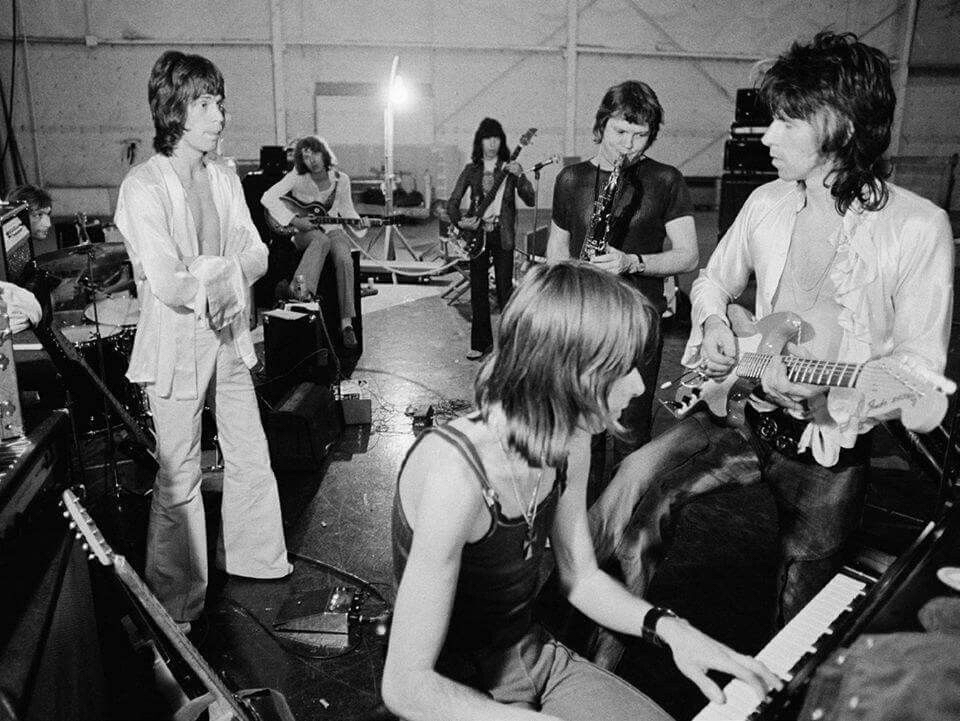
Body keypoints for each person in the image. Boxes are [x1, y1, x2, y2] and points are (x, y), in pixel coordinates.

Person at [588, 30, 954, 667]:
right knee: (636, 490)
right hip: (741, 409)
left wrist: (827, 394)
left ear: (840, 125)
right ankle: (597, 669)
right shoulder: (766, 202)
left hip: (826, 451)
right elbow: (712, 281)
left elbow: (919, 374)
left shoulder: (917, 227)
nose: (767, 136)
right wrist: (716, 324)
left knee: (797, 620)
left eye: (787, 121)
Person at [382, 261, 780, 721]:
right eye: (624, 369)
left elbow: (582, 579)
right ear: (570, 371)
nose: (639, 386)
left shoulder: (570, 440)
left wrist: (671, 629)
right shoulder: (456, 473)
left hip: (534, 659)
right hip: (455, 693)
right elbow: (407, 686)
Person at [114, 50, 291, 630]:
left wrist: (217, 274)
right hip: (176, 343)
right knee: (179, 472)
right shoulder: (143, 186)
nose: (220, 116)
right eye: (207, 104)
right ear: (176, 110)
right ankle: (174, 602)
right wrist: (221, 277)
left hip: (228, 334)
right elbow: (166, 280)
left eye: (221, 103)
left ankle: (256, 559)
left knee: (249, 450)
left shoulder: (224, 177)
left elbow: (257, 252)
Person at [546, 81, 699, 465]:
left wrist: (632, 262)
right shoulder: (571, 179)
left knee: (631, 433)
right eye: (620, 132)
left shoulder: (666, 179)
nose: (628, 145)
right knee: (583, 434)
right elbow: (556, 253)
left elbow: (689, 256)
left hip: (637, 324)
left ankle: (623, 503)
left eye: (640, 135)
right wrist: (570, 281)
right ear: (601, 126)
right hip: (584, 322)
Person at [260, 135, 367, 349]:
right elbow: (268, 198)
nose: (312, 160)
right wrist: (295, 221)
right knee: (320, 240)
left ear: (324, 153)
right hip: (305, 234)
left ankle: (347, 323)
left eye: (315, 153)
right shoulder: (297, 176)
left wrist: (360, 224)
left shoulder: (341, 179)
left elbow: (347, 211)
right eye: (306, 157)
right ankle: (300, 291)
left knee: (344, 258)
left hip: (333, 230)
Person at [446, 118, 535, 360]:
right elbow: (453, 202)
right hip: (478, 234)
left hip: (502, 234)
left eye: (496, 138)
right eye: (488, 138)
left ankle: (508, 348)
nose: (492, 143)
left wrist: (521, 176)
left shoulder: (510, 167)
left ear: (501, 141)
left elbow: (530, 200)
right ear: (480, 142)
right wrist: (461, 222)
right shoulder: (471, 170)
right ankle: (480, 344)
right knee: (478, 290)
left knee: (506, 291)